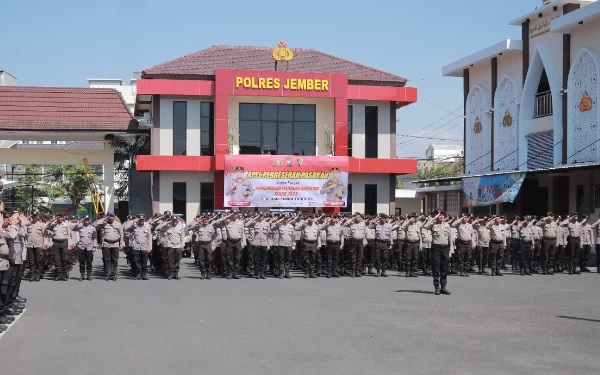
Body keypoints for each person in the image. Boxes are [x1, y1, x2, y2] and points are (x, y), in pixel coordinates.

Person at [422, 211, 451, 295]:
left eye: (442, 215)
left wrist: (451, 250)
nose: (441, 216)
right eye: (439, 215)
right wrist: (433, 218)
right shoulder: (433, 224)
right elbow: (425, 226)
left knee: (444, 268)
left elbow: (450, 238)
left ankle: (443, 287)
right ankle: (437, 287)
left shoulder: (447, 225)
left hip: (445, 248)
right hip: (436, 248)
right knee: (436, 268)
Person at [214, 212, 246, 279]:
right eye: (233, 214)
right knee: (230, 257)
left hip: (238, 241)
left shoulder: (240, 223)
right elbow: (216, 222)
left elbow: (243, 234)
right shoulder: (227, 222)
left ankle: (236, 273)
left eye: (236, 214)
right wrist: (227, 216)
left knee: (237, 258)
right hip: (230, 241)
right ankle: (230, 272)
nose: (235, 215)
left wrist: (243, 243)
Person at [95, 211, 125, 281]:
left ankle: (114, 274)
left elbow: (122, 234)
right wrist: (103, 219)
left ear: (114, 217)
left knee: (115, 260)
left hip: (115, 244)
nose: (110, 217)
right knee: (106, 260)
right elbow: (95, 225)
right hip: (106, 244)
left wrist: (122, 244)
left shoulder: (118, 224)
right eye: (109, 216)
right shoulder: (104, 224)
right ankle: (107, 274)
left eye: (112, 216)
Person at [45, 213, 74, 281]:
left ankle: (64, 274)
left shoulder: (66, 225)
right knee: (57, 258)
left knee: (64, 258)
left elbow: (69, 235)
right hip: (56, 242)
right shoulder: (53, 225)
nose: (59, 218)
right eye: (58, 217)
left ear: (63, 218)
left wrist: (70, 245)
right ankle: (58, 274)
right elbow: (45, 227)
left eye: (61, 217)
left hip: (64, 242)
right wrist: (51, 220)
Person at [155, 215, 185, 280]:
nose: (174, 222)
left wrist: (182, 245)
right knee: (170, 260)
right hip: (170, 246)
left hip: (178, 246)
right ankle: (171, 273)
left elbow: (182, 237)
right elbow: (157, 228)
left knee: (177, 260)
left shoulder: (180, 228)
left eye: (175, 220)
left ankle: (176, 273)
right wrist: (167, 222)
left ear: (177, 221)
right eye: (173, 220)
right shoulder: (167, 227)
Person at [124, 214, 152, 280]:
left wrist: (149, 248)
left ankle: (144, 274)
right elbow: (125, 228)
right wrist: (133, 221)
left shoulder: (147, 226)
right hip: (136, 246)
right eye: (140, 219)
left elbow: (149, 237)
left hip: (144, 247)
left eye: (143, 219)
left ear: (144, 219)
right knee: (137, 261)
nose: (141, 221)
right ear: (138, 219)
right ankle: (138, 274)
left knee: (144, 261)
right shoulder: (134, 225)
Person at [72, 216, 97, 281]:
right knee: (82, 262)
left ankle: (89, 275)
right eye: (85, 219)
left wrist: (94, 246)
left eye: (87, 219)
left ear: (90, 220)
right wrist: (80, 221)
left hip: (89, 247)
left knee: (89, 262)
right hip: (81, 246)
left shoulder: (92, 228)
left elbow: (95, 238)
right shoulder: (80, 227)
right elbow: (73, 228)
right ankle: (82, 275)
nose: (86, 220)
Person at [273, 213, 298, 279]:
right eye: (284, 219)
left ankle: (287, 273)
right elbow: (272, 227)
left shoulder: (291, 226)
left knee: (288, 259)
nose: (285, 220)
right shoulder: (279, 225)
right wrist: (279, 220)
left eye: (286, 219)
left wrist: (294, 245)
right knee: (281, 259)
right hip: (281, 244)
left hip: (289, 245)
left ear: (288, 219)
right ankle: (281, 273)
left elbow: (293, 236)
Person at [319, 214, 343, 278]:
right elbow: (320, 228)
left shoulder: (339, 226)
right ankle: (329, 272)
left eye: (334, 218)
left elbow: (341, 235)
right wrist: (326, 221)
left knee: (335, 259)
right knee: (329, 259)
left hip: (336, 244)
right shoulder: (327, 225)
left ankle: (334, 272)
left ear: (336, 219)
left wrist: (342, 244)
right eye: (332, 218)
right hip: (329, 244)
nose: (333, 219)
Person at [25, 211, 45, 282]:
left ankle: (37, 274)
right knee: (31, 261)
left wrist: (43, 244)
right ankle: (32, 274)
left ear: (38, 217)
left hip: (38, 245)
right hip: (30, 245)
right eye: (33, 216)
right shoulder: (28, 224)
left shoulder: (41, 225)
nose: (34, 217)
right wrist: (29, 217)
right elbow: (23, 222)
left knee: (38, 260)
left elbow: (44, 235)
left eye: (36, 216)